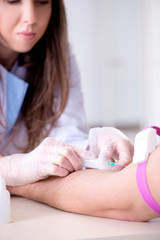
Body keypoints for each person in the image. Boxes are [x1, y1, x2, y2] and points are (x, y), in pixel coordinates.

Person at [0, 0, 134, 187]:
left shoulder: (57, 56)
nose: (31, 18)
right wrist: (14, 168)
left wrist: (93, 146)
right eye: (13, 0)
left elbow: (66, 136)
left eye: (42, 2)